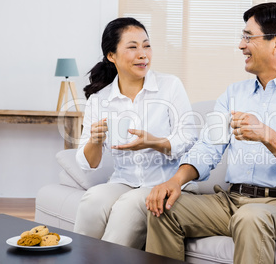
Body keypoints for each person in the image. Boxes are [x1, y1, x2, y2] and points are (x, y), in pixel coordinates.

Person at [145, 2, 276, 264]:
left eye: (248, 37)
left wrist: (268, 136)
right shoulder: (234, 93)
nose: (241, 45)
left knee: (251, 217)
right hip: (232, 200)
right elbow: (207, 148)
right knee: (164, 209)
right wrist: (175, 181)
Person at [73, 17, 198, 250]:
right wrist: (95, 141)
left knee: (129, 205)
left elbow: (189, 138)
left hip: (165, 182)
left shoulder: (170, 86)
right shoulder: (99, 100)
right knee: (92, 200)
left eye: (146, 45)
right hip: (125, 181)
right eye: (132, 47)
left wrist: (155, 142)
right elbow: (87, 162)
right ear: (112, 55)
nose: (143, 54)